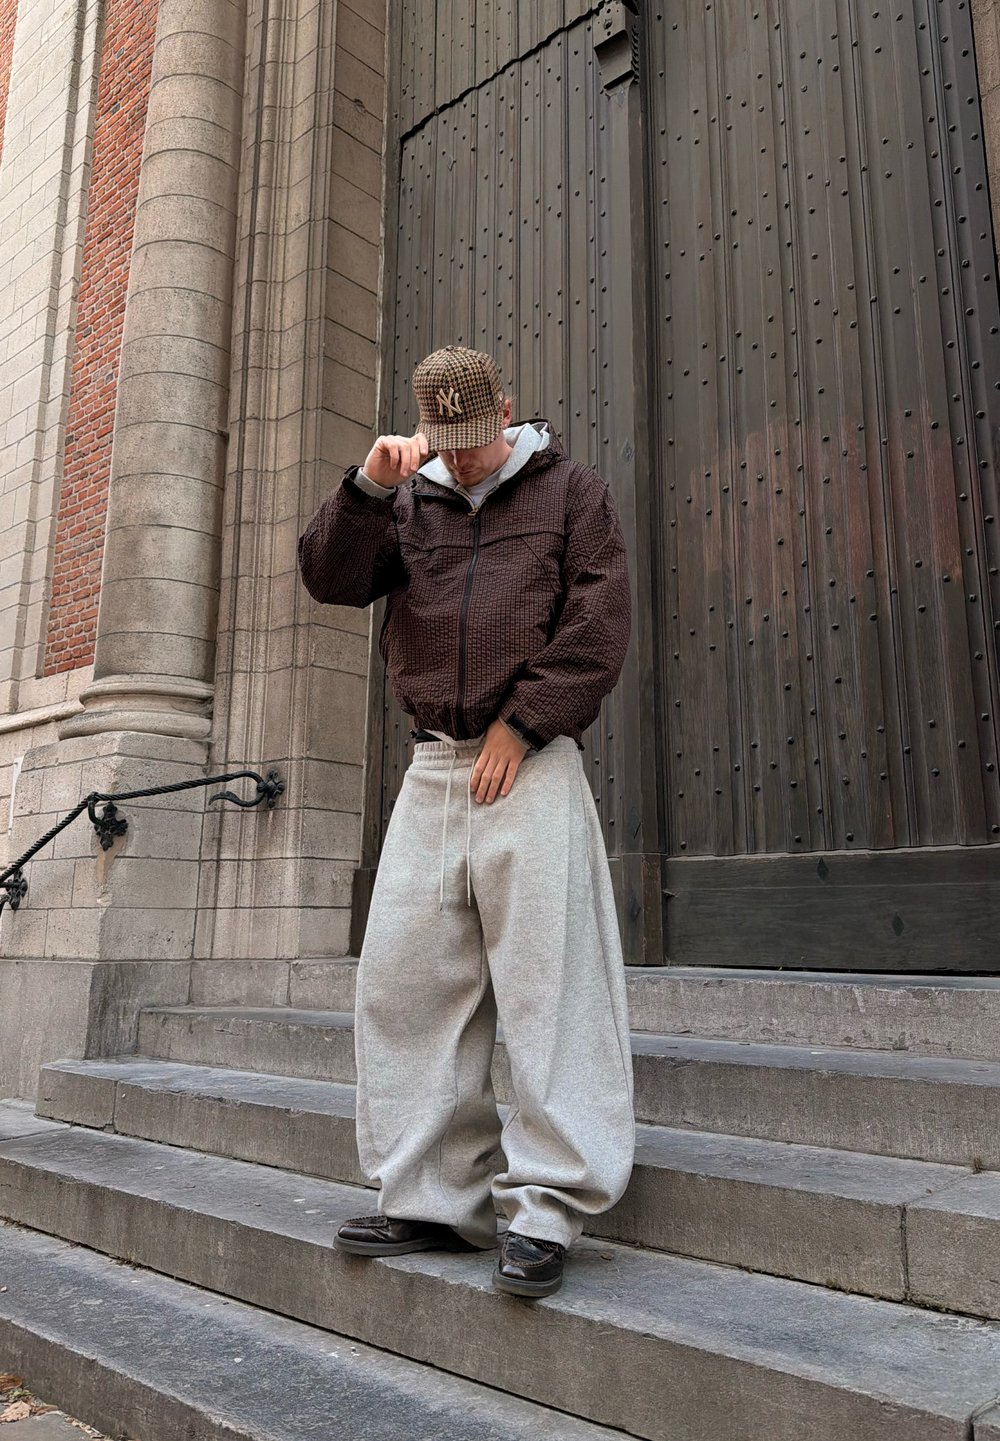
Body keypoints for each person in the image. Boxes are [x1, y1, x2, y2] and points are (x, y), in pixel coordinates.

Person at [298, 344, 635, 1298]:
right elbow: (329, 576)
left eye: (479, 440)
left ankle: (547, 1208)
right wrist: (365, 487)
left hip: (527, 764)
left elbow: (600, 620)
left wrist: (523, 723)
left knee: (547, 984)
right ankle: (431, 1198)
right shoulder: (407, 498)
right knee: (402, 979)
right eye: (450, 444)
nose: (468, 459)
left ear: (508, 413)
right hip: (434, 765)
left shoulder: (572, 491)